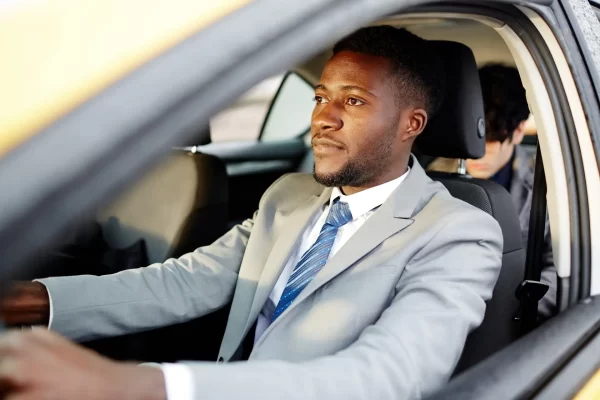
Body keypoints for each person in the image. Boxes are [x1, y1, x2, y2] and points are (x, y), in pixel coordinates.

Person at [0, 26, 503, 400]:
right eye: (320, 96)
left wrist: (141, 383)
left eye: (352, 101)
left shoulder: (460, 233)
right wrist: (30, 301)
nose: (322, 119)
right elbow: (185, 282)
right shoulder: (288, 195)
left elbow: (387, 376)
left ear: (410, 124)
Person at [427, 64, 556, 319]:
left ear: (518, 131)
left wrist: (510, 316)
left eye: (495, 138)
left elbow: (560, 271)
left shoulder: (548, 189)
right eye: (478, 135)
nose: (481, 151)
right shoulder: (428, 178)